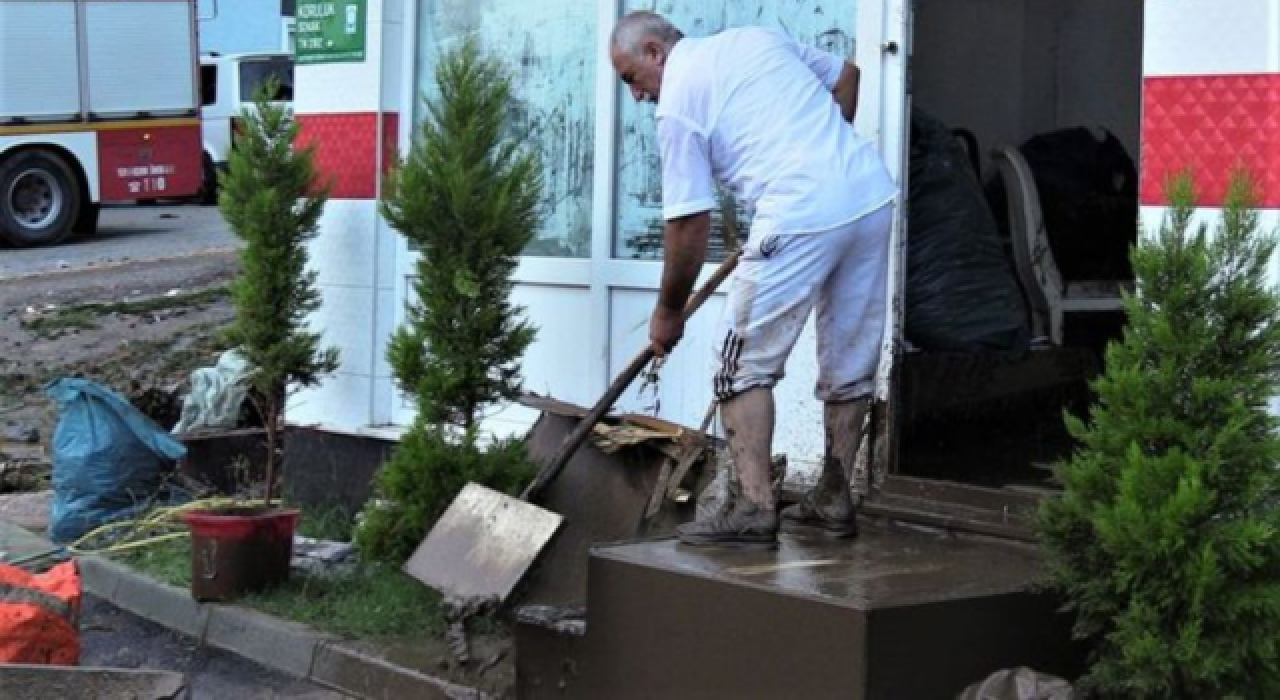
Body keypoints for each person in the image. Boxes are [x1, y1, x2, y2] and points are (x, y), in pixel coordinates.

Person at [609, 12, 898, 547]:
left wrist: (668, 312)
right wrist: (824, 165)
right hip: (867, 197)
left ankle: (752, 509)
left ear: (654, 52)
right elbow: (848, 75)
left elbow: (689, 224)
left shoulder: (678, 105)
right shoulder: (756, 39)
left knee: (737, 365)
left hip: (798, 211)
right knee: (849, 356)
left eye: (630, 78)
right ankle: (834, 498)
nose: (637, 95)